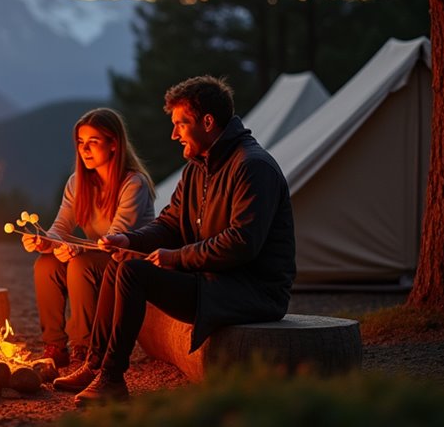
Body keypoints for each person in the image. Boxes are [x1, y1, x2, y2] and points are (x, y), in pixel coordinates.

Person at [54, 75, 296, 405]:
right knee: (121, 261)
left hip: (251, 290)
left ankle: (111, 377)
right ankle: (95, 365)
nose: (174, 134)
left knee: (133, 273)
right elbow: (170, 223)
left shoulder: (252, 168)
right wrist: (128, 239)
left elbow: (242, 242)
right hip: (211, 281)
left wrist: (175, 258)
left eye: (181, 124)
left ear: (207, 122)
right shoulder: (198, 168)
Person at [23, 107, 155, 369]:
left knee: (79, 264)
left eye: (93, 142)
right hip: (97, 256)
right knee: (46, 264)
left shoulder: (134, 184)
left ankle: (84, 347)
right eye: (81, 143)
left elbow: (114, 238)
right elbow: (60, 227)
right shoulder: (77, 183)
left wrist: (75, 249)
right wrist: (45, 241)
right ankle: (55, 346)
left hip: (130, 261)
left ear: (114, 144)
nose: (84, 149)